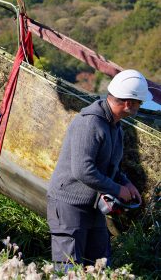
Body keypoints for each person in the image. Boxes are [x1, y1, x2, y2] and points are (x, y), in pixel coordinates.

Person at [46, 69, 152, 268]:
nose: (140, 106)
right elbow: (82, 170)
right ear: (129, 103)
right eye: (140, 102)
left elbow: (112, 167)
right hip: (69, 203)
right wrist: (117, 190)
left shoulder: (115, 126)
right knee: (68, 269)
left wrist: (127, 184)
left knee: (99, 265)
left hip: (92, 205)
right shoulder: (89, 123)